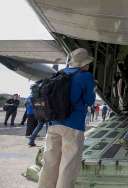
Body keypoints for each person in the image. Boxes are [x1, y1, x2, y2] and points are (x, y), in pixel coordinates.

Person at [38, 48, 96, 188]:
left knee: (50, 162)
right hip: (73, 125)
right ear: (85, 63)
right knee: (68, 164)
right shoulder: (85, 76)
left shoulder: (59, 74)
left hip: (54, 122)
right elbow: (89, 100)